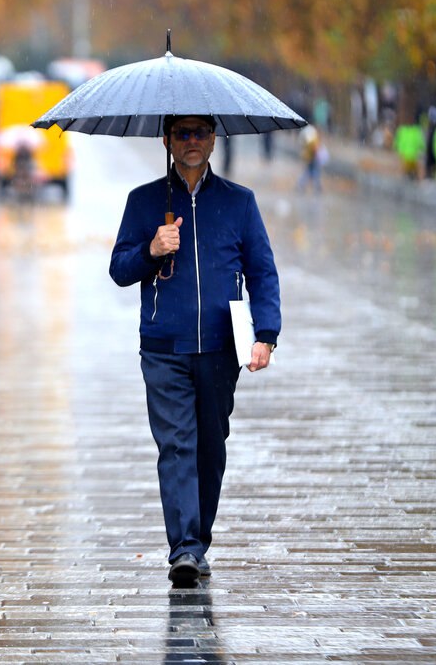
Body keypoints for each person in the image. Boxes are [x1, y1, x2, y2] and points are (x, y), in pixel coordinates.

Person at [110, 114, 280, 587]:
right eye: (181, 133)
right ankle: (184, 548)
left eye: (200, 132)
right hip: (163, 347)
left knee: (209, 447)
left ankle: (197, 539)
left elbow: (263, 273)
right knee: (176, 444)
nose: (191, 142)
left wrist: (265, 333)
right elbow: (119, 269)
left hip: (221, 350)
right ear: (166, 140)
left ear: (213, 138)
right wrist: (151, 248)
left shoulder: (238, 204)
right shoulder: (144, 202)